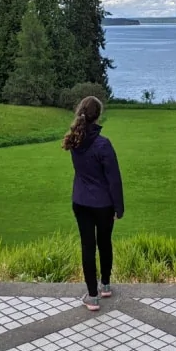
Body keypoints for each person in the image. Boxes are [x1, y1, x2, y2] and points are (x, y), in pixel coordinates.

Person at [63, 96, 124, 311]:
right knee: (104, 242)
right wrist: (119, 207)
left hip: (81, 201)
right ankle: (105, 284)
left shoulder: (74, 140)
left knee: (87, 246)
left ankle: (92, 295)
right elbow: (113, 179)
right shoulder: (103, 144)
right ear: (98, 115)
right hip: (103, 204)